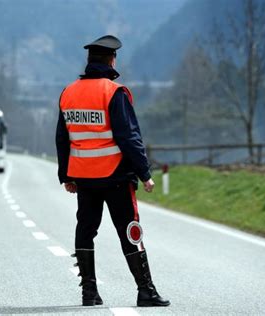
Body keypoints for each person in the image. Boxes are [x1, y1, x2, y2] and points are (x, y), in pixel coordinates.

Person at [55, 35, 170, 307]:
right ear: (112, 60)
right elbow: (129, 137)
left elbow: (63, 138)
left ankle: (89, 293)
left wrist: (66, 175)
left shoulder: (68, 92)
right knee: (130, 230)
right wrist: (145, 173)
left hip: (84, 177)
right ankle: (146, 291)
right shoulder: (114, 92)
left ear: (89, 62)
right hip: (116, 176)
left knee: (85, 229)